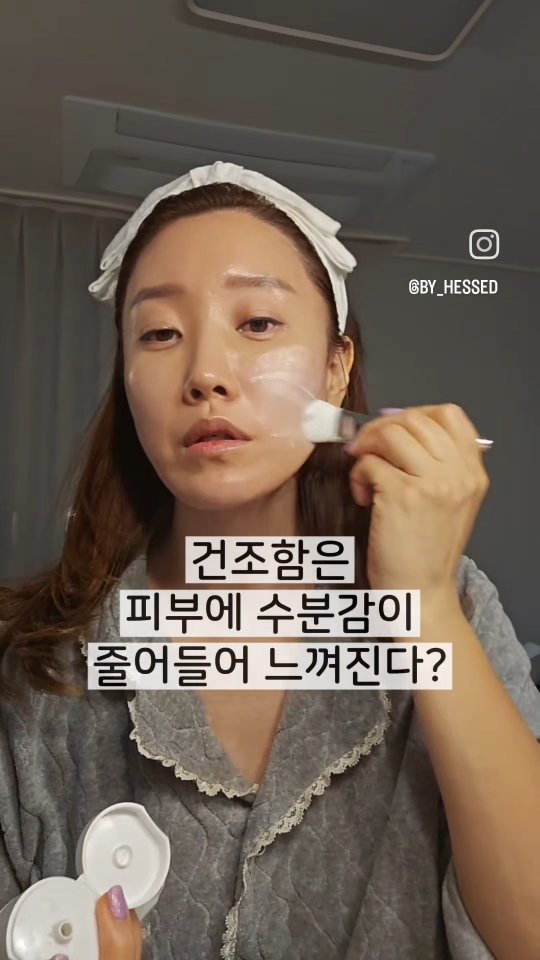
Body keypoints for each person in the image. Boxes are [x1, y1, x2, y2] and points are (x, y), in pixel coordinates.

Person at [0, 161, 539, 960]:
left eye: (256, 324)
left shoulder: (452, 603)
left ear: (335, 370)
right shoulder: (41, 665)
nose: (205, 375)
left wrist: (423, 605)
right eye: (159, 333)